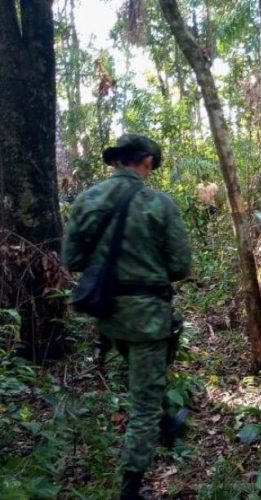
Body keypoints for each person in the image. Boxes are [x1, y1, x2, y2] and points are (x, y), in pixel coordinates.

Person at [63, 134, 191, 499]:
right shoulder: (159, 204)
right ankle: (130, 489)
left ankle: (166, 420)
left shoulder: (88, 199)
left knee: (145, 381)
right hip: (148, 318)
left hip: (107, 313)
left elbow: (72, 259)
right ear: (147, 161)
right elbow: (181, 266)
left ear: (118, 160)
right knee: (144, 406)